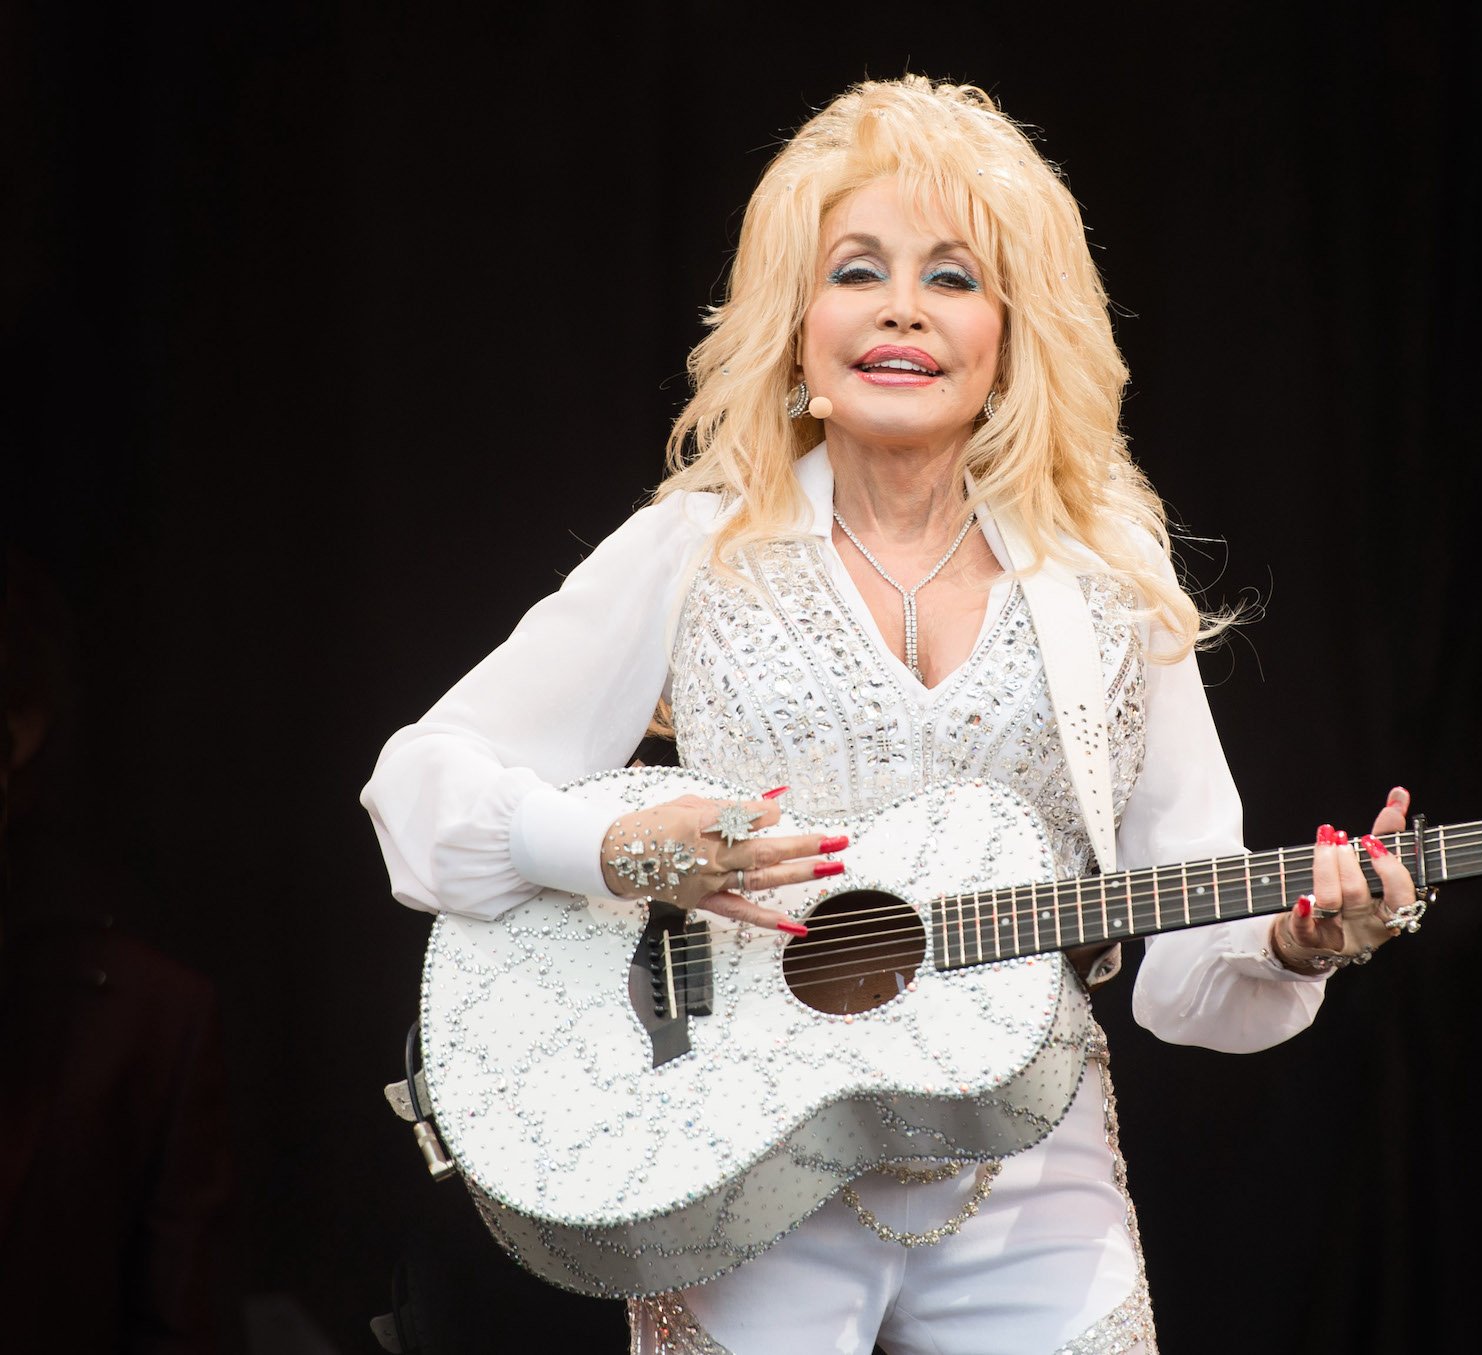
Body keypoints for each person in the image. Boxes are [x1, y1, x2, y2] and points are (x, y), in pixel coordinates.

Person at [362, 75, 1419, 1355]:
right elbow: (421, 783)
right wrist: (621, 847)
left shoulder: (1103, 578)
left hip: (1026, 1170)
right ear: (796, 325)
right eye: (856, 270)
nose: (902, 307)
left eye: (952, 276)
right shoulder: (701, 546)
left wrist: (1301, 940)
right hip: (730, 1158)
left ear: (1012, 336)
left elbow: (1189, 936)